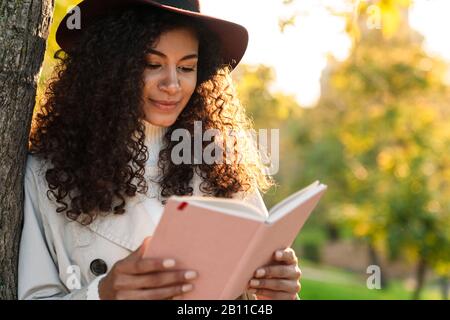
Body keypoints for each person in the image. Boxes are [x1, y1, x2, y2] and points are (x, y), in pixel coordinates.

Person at [19, 0, 301, 300]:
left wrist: (279, 293)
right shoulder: (48, 172)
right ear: (110, 67)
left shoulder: (219, 161)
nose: (172, 84)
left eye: (186, 67)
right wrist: (102, 293)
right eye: (152, 64)